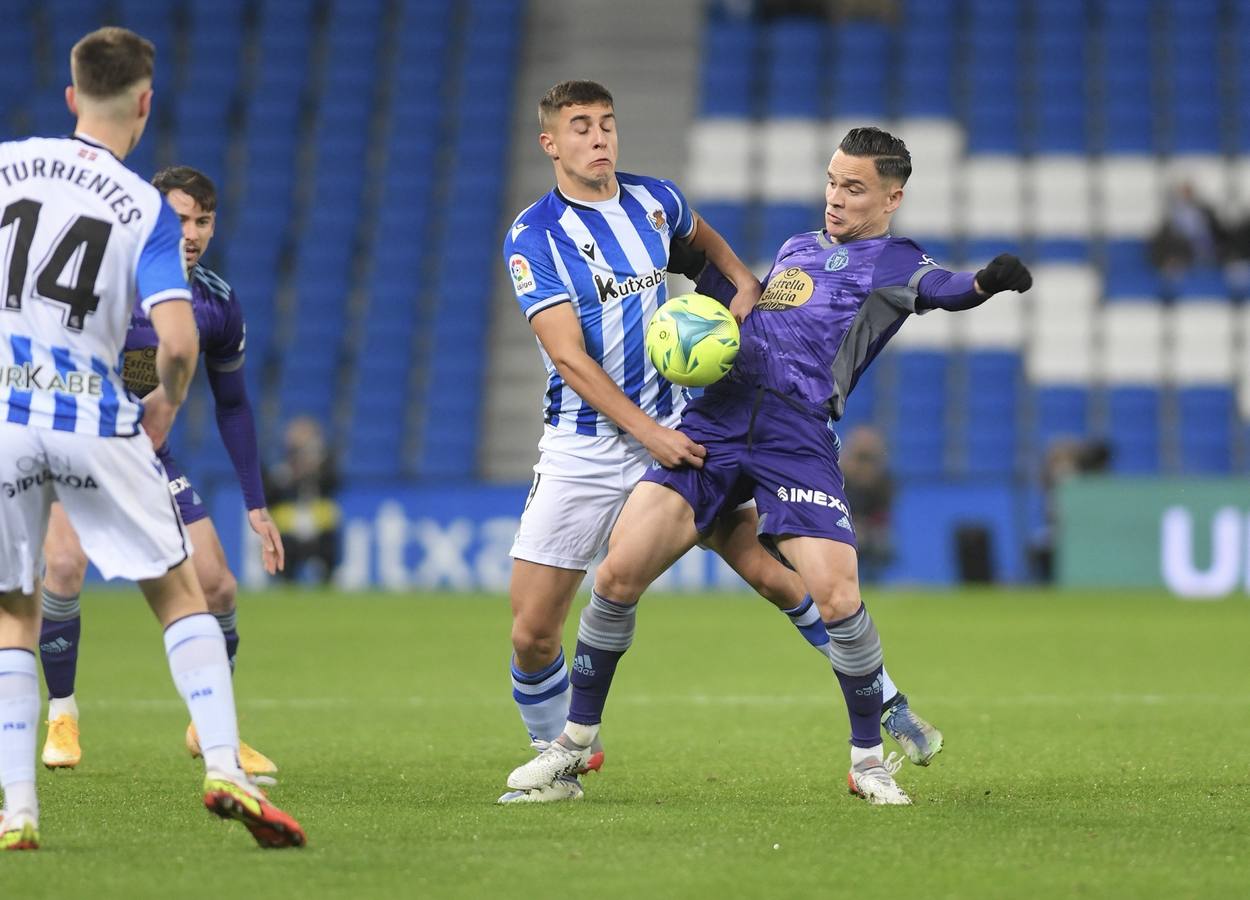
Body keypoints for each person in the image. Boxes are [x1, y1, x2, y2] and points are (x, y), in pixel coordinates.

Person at [508, 126, 1032, 805]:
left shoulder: (894, 261)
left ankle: (868, 761)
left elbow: (945, 287)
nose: (835, 199)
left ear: (891, 197)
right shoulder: (796, 248)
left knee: (837, 594)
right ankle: (573, 744)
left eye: (854, 188)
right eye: (831, 182)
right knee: (616, 574)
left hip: (794, 435)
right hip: (716, 420)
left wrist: (987, 282)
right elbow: (740, 298)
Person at [0, 27, 303, 849]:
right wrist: (162, 407)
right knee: (179, 595)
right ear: (144, 101)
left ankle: (18, 809)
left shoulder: (6, 166)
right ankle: (224, 769)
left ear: (70, 97)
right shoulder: (140, 206)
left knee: (13, 612)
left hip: (9, 419)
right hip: (96, 418)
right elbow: (176, 342)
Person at [36, 165, 284, 778]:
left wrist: (255, 501)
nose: (193, 232)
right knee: (64, 566)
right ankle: (61, 713)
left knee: (219, 585)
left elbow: (233, 403)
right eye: (180, 218)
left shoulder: (216, 303)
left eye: (204, 219)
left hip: (144, 453)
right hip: (73, 441)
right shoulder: (100, 279)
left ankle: (210, 726)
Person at [264, 416, 341, 584]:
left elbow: (334, 483)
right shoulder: (281, 468)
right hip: (289, 529)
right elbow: (270, 497)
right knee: (286, 561)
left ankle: (328, 579)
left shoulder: (324, 466)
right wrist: (292, 476)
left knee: (329, 548)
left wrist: (314, 469)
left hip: (319, 528)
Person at [839, 425, 895, 583]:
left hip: (871, 530)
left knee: (878, 541)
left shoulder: (883, 481)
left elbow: (883, 514)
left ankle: (871, 580)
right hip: (842, 526)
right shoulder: (839, 477)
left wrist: (865, 526)